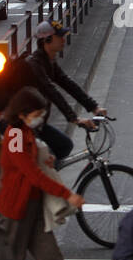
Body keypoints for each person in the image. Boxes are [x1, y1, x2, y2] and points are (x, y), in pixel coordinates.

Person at [0, 87, 93, 260]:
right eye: (37, 113)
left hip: (33, 207)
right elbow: (30, 173)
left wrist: (45, 159)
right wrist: (67, 194)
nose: (41, 117)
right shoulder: (16, 136)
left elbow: (34, 162)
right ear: (22, 113)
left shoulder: (26, 132)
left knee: (52, 259)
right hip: (15, 210)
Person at [16, 21, 104, 162]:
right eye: (60, 36)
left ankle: (45, 178)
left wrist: (93, 107)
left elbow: (68, 84)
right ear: (47, 40)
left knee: (64, 146)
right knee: (45, 158)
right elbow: (51, 91)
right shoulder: (34, 64)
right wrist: (74, 118)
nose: (63, 39)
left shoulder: (49, 62)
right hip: (20, 126)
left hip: (36, 124)